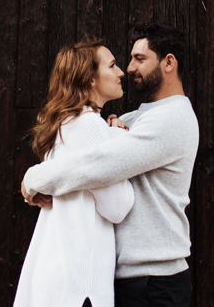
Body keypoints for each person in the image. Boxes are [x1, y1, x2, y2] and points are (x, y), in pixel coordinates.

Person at [22, 23, 199, 307]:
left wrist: (34, 178)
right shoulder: (135, 117)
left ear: (168, 63)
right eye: (127, 59)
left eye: (140, 59)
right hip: (129, 277)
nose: (128, 68)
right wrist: (115, 129)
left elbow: (101, 163)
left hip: (153, 279)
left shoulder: (173, 117)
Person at [15, 41, 135, 307]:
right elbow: (118, 206)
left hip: (56, 276)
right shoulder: (90, 125)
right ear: (90, 79)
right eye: (112, 65)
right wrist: (118, 139)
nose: (121, 72)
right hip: (78, 284)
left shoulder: (66, 123)